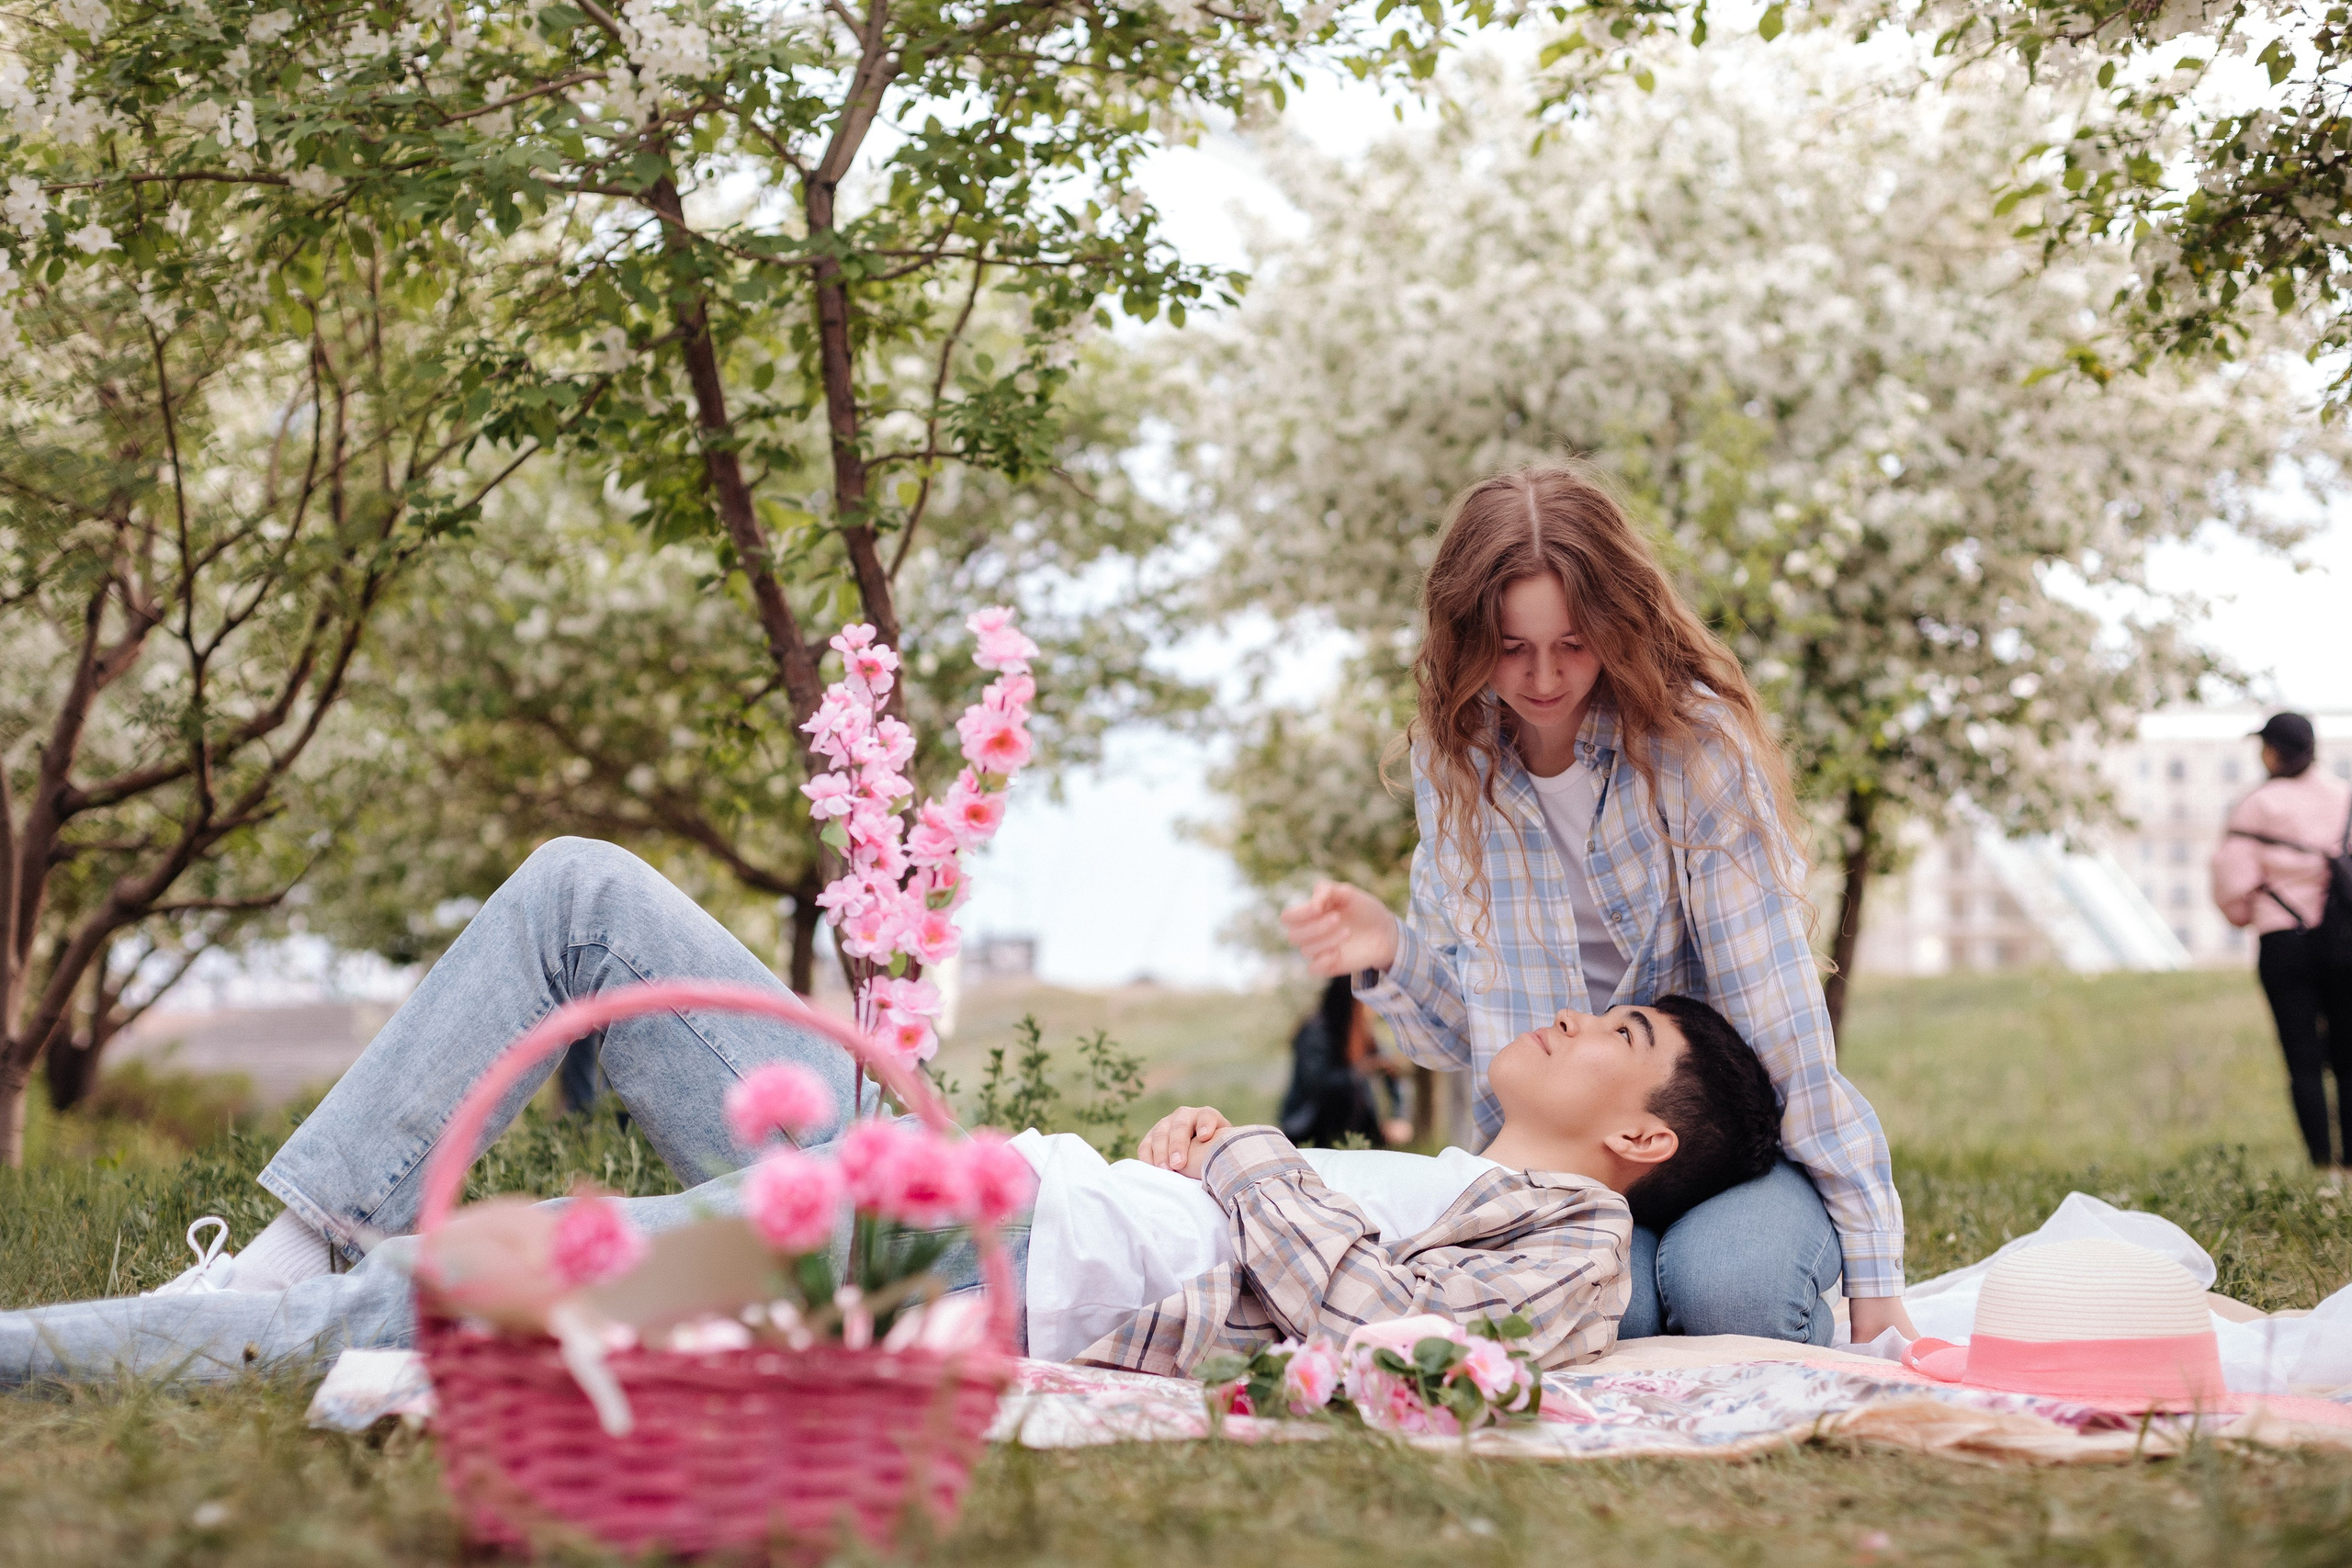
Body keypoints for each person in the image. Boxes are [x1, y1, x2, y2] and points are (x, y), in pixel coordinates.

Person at [1, 838, 1783, 1386]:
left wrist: (1238, 1152)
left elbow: (1381, 1342)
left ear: (1642, 1135)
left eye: (1616, 1022)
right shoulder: (1443, 1160)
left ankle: (51, 1351)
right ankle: (303, 1231)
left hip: (971, 1253)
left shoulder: (1576, 1245)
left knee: (462, 1291)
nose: (1563, 1010)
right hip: (956, 1176)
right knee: (579, 896)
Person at [1274, 461, 1914, 1348]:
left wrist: (1877, 1279)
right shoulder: (1456, 761)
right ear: (1466, 639)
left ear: (1617, 622)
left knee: (1732, 1292)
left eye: (1572, 642)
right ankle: (1645, 1267)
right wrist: (1388, 949)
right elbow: (1466, 1037)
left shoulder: (1692, 747)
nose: (1542, 676)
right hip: (1561, 1171)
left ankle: (1723, 1253)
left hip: (1710, 1150)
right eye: (1510, 646)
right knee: (1615, 1312)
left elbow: (1782, 1026)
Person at [2212, 711, 2352, 1183]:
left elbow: (2234, 889)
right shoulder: (2344, 797)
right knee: (2349, 1057)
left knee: (2302, 1058)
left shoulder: (2255, 805)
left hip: (2283, 943)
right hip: (2344, 944)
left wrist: (2253, 910)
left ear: (2273, 751)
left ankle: (2324, 1169)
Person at [1275, 975, 1413, 1149]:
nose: (1374, 1009)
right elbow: (1317, 1085)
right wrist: (1363, 1070)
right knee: (1349, 1090)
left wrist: (1399, 1117)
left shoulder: (1365, 1036)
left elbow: (1393, 1073)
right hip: (1308, 1127)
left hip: (1352, 1128)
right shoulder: (1315, 1032)